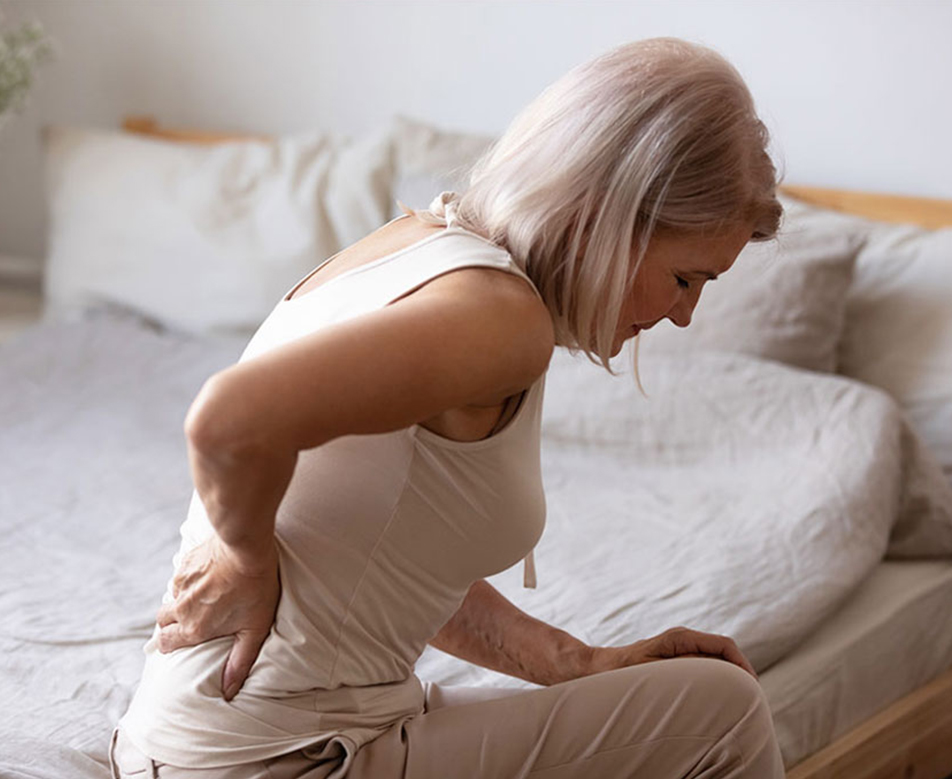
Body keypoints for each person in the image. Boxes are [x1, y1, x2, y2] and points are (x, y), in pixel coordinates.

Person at [109, 37, 785, 778]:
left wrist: (581, 661)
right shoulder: (499, 319)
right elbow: (228, 418)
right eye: (685, 278)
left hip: (184, 743)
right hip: (278, 757)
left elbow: (387, 555)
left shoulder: (418, 243)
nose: (683, 315)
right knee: (720, 706)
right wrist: (244, 555)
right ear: (607, 216)